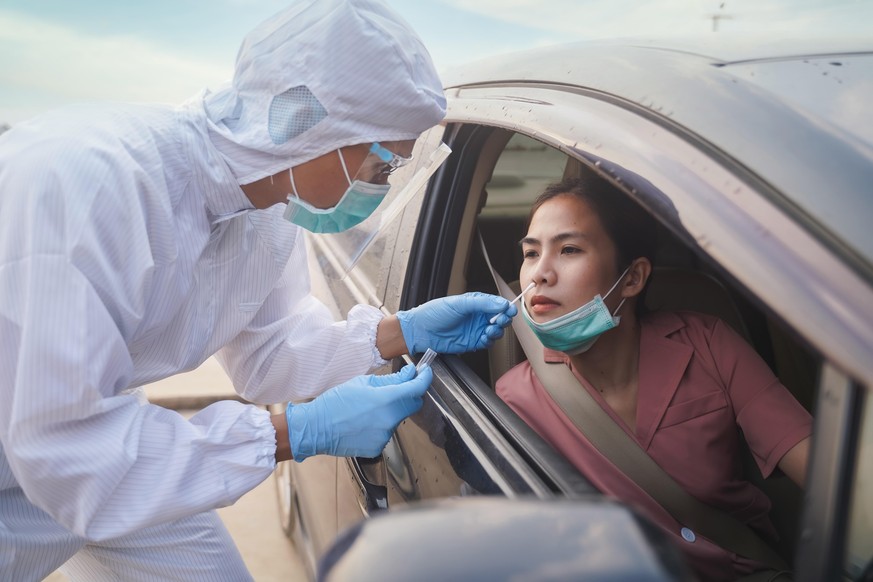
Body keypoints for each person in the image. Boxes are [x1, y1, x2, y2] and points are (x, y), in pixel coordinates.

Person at [0, 1, 517, 580]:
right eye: (382, 166)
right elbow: (64, 451)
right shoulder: (89, 186)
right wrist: (297, 433)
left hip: (104, 443)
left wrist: (404, 329)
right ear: (305, 121)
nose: (382, 187)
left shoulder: (269, 205)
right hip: (43, 455)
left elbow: (268, 353)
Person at [495, 176, 812, 581]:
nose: (539, 274)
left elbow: (824, 472)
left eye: (569, 249)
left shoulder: (707, 343)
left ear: (632, 278)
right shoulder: (515, 400)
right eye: (530, 253)